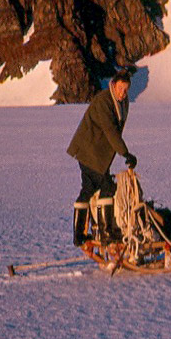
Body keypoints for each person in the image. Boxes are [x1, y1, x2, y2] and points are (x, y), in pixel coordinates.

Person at [66, 69, 138, 246]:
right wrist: (125, 153)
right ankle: (106, 232)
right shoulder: (103, 101)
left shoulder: (122, 102)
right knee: (108, 188)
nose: (122, 93)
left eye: (126, 89)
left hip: (97, 154)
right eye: (120, 88)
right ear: (113, 85)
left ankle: (80, 234)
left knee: (88, 190)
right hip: (89, 152)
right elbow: (110, 131)